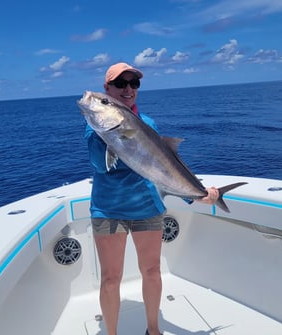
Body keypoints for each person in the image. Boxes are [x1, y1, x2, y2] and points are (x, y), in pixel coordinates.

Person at [84, 62, 219, 335]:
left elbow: (164, 170)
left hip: (147, 206)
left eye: (134, 84)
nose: (128, 89)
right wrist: (106, 132)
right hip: (108, 209)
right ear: (107, 89)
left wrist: (198, 196)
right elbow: (100, 165)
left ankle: (153, 331)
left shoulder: (147, 124)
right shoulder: (96, 128)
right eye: (121, 83)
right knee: (110, 279)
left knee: (152, 271)